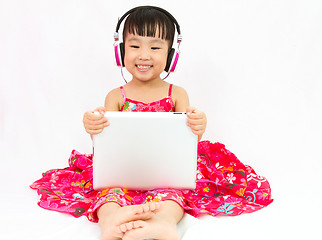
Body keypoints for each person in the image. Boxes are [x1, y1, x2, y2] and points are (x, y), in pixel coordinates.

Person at [31, 6, 273, 240]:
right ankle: (111, 221)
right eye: (134, 46)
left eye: (155, 47)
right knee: (107, 195)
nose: (144, 55)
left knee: (173, 196)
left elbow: (187, 142)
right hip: (123, 172)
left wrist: (198, 126)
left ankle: (164, 222)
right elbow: (106, 144)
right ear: (121, 51)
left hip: (168, 173)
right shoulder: (116, 96)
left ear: (170, 55)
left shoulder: (177, 94)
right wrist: (93, 126)